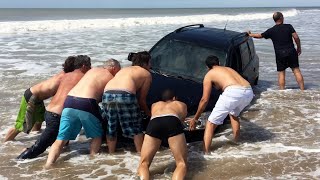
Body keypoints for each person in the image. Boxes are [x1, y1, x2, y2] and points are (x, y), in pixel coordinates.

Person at [44, 59, 121, 168]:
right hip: (87, 102)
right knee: (97, 135)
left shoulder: (92, 70)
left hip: (69, 101)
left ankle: (48, 165)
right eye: (119, 69)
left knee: (61, 139)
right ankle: (93, 160)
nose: (119, 72)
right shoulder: (111, 77)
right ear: (114, 68)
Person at [17, 55, 91, 159]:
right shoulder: (83, 77)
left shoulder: (66, 75)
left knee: (62, 141)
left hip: (50, 112)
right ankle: (18, 161)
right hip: (57, 116)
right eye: (89, 66)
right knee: (39, 148)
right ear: (84, 66)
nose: (90, 69)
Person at [189, 55, 254, 154]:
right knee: (234, 114)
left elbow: (204, 100)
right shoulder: (228, 69)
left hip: (233, 91)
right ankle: (236, 141)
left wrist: (195, 118)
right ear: (219, 63)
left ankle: (206, 153)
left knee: (210, 123)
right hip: (248, 91)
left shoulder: (209, 74)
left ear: (207, 67)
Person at [4, 56, 76, 142]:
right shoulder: (65, 77)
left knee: (38, 122)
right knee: (22, 125)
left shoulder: (64, 74)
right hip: (32, 97)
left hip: (38, 98)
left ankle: (33, 140)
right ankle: (5, 143)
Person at [102, 51, 152, 153]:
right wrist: (150, 115)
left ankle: (111, 154)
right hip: (125, 94)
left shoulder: (124, 69)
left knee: (111, 126)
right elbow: (141, 100)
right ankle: (140, 154)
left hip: (107, 94)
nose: (151, 65)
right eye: (150, 63)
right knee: (136, 127)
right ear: (146, 63)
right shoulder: (146, 74)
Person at [137, 89, 188, 180]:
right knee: (181, 163)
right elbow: (181, 122)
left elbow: (157, 119)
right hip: (172, 120)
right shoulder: (181, 104)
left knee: (144, 163)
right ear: (174, 98)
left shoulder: (154, 105)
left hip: (154, 122)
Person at [248, 11, 304, 90]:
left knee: (281, 73)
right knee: (296, 71)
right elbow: (296, 37)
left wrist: (250, 34)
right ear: (281, 18)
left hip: (280, 54)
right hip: (291, 51)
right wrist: (299, 47)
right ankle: (302, 90)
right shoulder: (289, 26)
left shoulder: (271, 30)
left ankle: (282, 92)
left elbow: (260, 35)